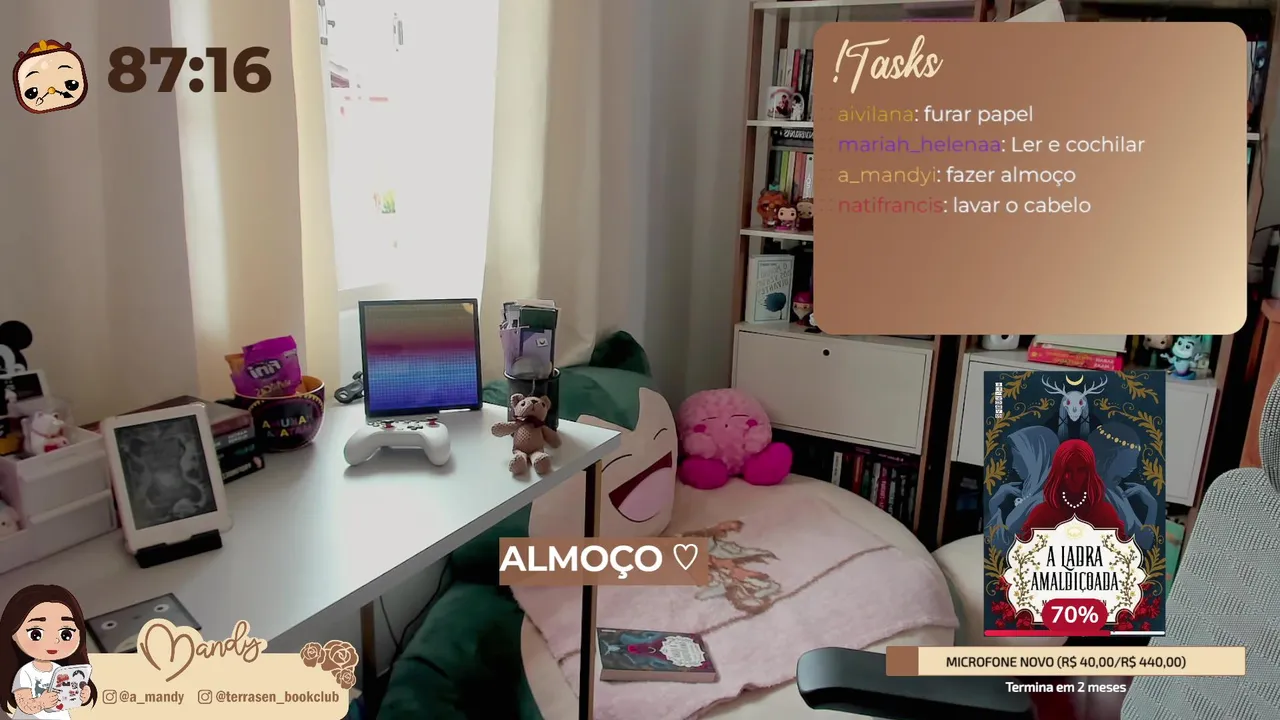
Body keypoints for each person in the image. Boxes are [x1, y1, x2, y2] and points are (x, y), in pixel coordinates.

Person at [1, 585, 96, 719]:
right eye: (36, 634)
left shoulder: (59, 670)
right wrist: (41, 702)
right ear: (14, 634)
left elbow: (67, 698)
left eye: (65, 634)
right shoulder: (25, 672)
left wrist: (82, 695)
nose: (54, 641)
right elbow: (25, 705)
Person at [1017, 439, 1127, 542]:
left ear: (1089, 473)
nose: (1074, 477)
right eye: (1068, 470)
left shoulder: (1105, 513)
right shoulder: (1042, 514)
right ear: (1059, 472)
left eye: (1081, 470)